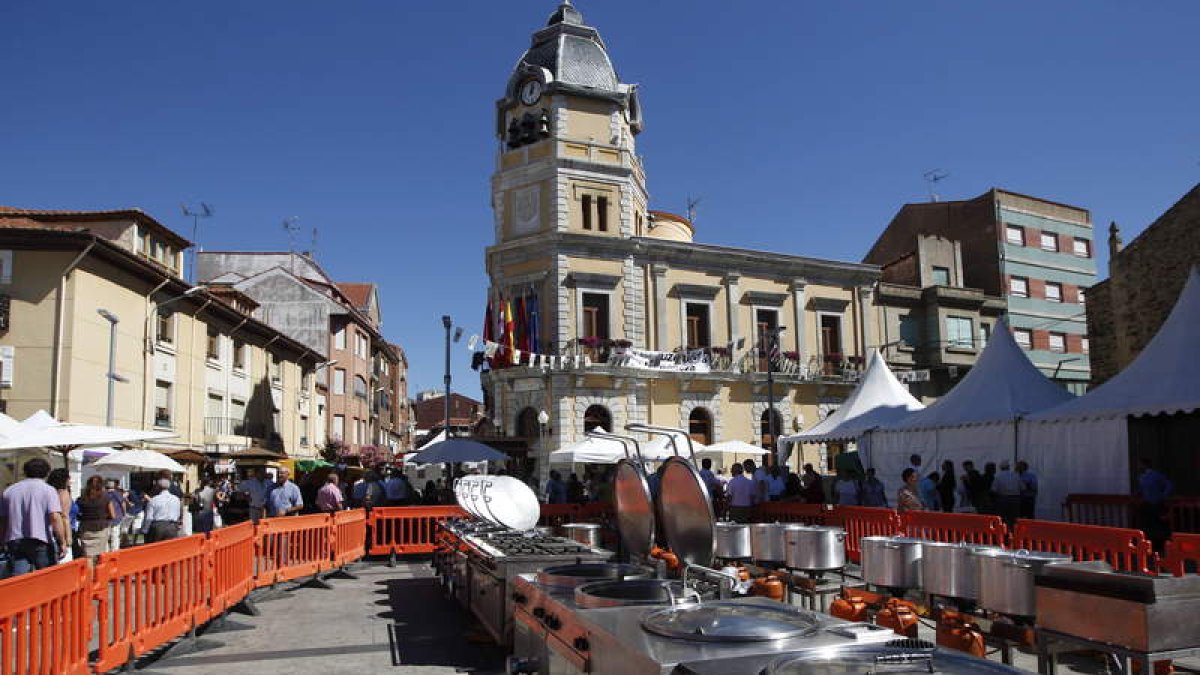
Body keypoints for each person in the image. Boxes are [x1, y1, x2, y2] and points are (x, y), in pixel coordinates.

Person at [0, 458, 68, 577]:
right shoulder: (48, 490)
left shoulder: (9, 491)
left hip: (15, 539)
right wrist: (62, 541)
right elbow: (55, 517)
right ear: (46, 472)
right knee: (47, 576)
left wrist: (2, 539)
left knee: (19, 578)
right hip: (41, 539)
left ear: (25, 471)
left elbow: (3, 520)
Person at [1136, 458, 1173, 550]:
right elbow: (1141, 490)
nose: (1139, 466)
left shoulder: (1154, 475)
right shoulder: (1142, 477)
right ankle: (1153, 547)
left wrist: (1162, 496)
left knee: (1156, 526)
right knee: (1152, 526)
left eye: (1140, 465)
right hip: (1150, 504)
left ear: (1144, 465)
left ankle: (1158, 547)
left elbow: (1169, 485)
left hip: (1155, 504)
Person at [76, 476, 116, 560]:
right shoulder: (106, 498)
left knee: (88, 557)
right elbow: (113, 515)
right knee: (100, 556)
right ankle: (100, 572)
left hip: (86, 529)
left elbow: (77, 513)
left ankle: (90, 572)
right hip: (101, 528)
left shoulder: (81, 499)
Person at [142, 478, 182, 543]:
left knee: (155, 550)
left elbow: (149, 517)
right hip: (172, 527)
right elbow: (178, 514)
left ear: (158, 487)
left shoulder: (153, 500)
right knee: (170, 550)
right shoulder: (176, 499)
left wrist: (145, 530)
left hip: (157, 527)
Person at [46, 468, 74, 561]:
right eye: (68, 478)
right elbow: (65, 518)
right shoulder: (64, 494)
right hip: (62, 531)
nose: (70, 480)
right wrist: (68, 538)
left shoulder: (50, 492)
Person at [991, 461, 1023, 525]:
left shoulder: (998, 476)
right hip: (1015, 499)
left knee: (1001, 517)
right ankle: (1014, 532)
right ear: (1008, 467)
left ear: (1000, 468)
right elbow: (1023, 487)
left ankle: (1003, 532)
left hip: (1002, 499)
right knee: (1014, 518)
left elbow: (994, 490)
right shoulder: (1016, 475)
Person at [106, 480, 130, 551]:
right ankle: (114, 550)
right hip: (117, 517)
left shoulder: (104, 494)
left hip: (106, 518)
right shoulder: (117, 494)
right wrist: (124, 513)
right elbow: (123, 503)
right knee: (115, 535)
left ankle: (106, 551)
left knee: (107, 536)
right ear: (114, 486)